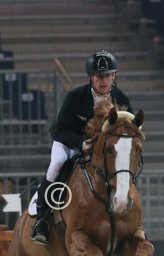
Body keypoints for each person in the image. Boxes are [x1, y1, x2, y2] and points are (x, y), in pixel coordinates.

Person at [31, 50, 133, 245]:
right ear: (90, 77)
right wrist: (81, 143)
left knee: (122, 168)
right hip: (70, 142)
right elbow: (59, 129)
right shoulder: (75, 97)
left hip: (101, 149)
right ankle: (41, 220)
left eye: (108, 75)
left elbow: (129, 128)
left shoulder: (121, 100)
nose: (104, 81)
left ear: (114, 76)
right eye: (99, 76)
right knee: (57, 163)